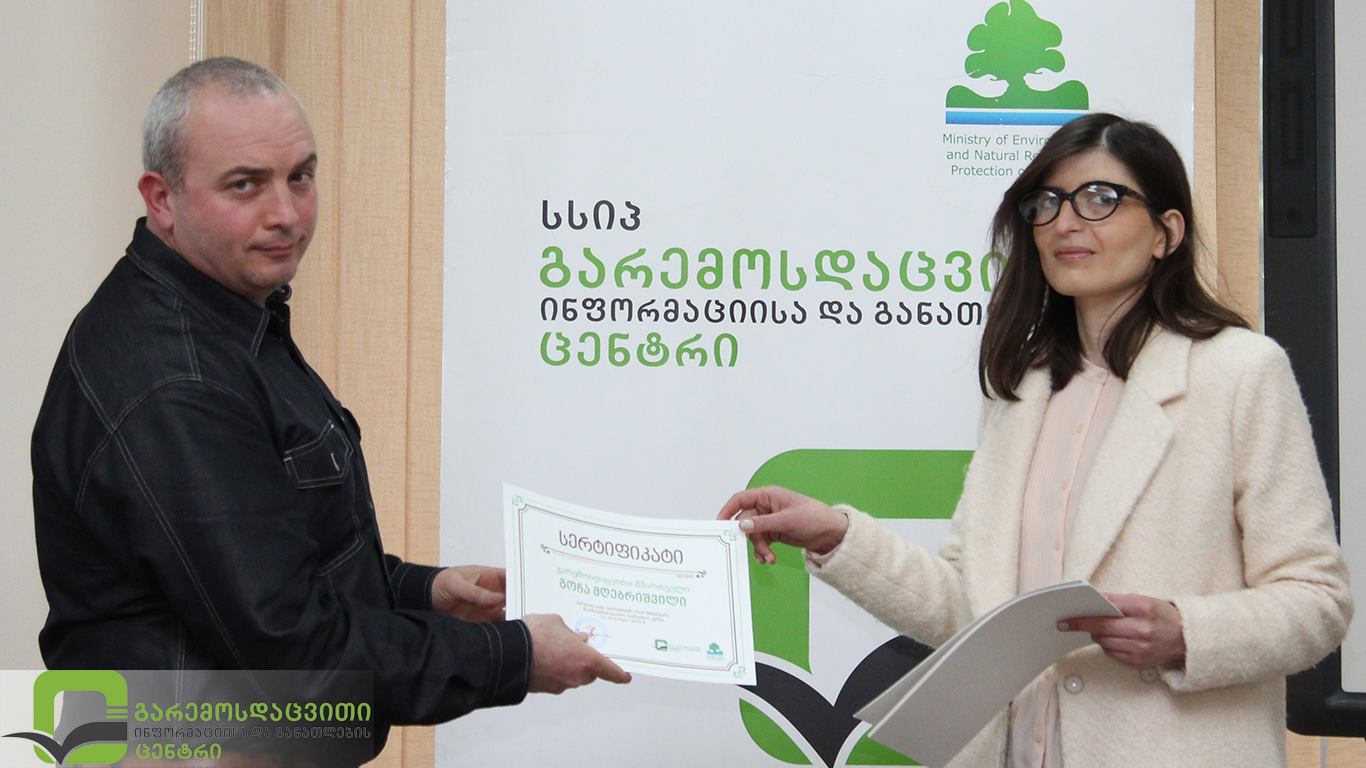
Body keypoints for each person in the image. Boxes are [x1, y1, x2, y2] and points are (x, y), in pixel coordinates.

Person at [30, 56, 628, 759]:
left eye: (301, 177)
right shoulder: (177, 382)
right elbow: (298, 661)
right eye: (245, 184)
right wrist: (515, 656)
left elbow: (277, 556)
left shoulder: (226, 318)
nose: (285, 214)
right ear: (162, 199)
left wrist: (420, 590)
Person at [720, 113, 1352, 768]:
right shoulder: (1021, 390)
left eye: (1100, 198)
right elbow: (972, 613)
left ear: (1167, 232)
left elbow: (1319, 601)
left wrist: (1184, 632)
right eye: (1046, 203)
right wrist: (834, 535)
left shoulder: (1240, 372)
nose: (1065, 222)